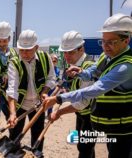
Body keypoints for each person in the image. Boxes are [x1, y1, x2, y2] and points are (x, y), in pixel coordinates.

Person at [43, 13, 132, 158]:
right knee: (84, 149)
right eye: (103, 41)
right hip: (110, 124)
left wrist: (59, 100)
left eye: (111, 42)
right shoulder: (107, 56)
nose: (106, 47)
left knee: (87, 150)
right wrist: (80, 72)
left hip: (124, 128)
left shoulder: (126, 66)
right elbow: (92, 72)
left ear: (126, 40)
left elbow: (96, 89)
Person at [7, 29, 56, 157]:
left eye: (28, 50)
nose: (24, 53)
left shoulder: (45, 58)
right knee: (14, 136)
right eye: (21, 50)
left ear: (36, 47)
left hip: (38, 105)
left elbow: (51, 78)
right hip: (20, 106)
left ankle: (36, 154)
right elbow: (12, 89)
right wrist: (12, 113)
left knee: (38, 135)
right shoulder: (14, 63)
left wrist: (45, 92)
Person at [50, 31, 96, 158]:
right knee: (85, 148)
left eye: (70, 52)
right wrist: (53, 101)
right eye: (64, 52)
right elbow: (63, 86)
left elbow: (82, 102)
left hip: (90, 118)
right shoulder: (73, 66)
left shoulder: (88, 67)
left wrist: (59, 112)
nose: (66, 56)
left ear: (81, 49)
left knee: (85, 148)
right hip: (81, 115)